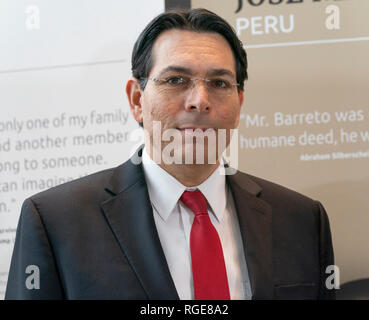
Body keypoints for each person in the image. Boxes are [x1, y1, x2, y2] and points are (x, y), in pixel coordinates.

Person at [5, 8, 335, 300]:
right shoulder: (56, 222)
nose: (200, 100)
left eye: (219, 83)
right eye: (176, 80)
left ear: (239, 104)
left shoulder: (302, 220)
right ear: (136, 99)